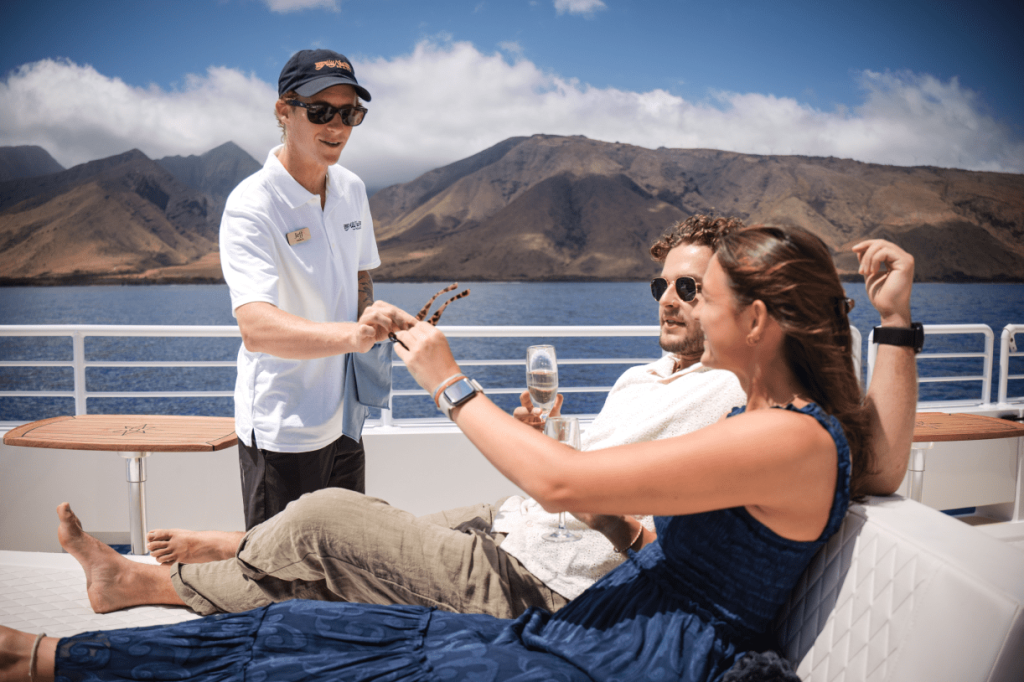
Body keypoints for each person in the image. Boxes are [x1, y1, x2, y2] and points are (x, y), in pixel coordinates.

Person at [1, 225, 918, 681]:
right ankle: (54, 657)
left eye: (700, 291)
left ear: (754, 320)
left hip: (623, 657)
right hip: (603, 622)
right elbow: (866, 472)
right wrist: (896, 326)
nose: (676, 304)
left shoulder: (783, 434)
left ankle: (49, 660)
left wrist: (449, 381)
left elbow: (558, 482)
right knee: (310, 630)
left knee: (313, 639)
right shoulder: (781, 426)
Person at [219, 48, 414, 529]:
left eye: (350, 114)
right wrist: (353, 336)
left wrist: (371, 315)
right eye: (321, 111)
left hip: (346, 418)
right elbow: (256, 328)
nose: (337, 127)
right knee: (279, 581)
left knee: (345, 563)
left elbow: (359, 274)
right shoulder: (251, 205)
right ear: (284, 111)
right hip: (285, 427)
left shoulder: (351, 189)